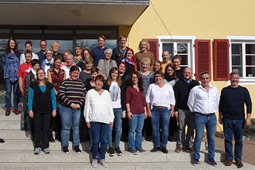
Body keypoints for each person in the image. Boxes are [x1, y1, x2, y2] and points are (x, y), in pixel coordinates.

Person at [219, 71, 252, 168]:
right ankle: (229, 158)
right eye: (233, 78)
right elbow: (221, 104)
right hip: (227, 119)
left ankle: (238, 159)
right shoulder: (225, 90)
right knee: (228, 139)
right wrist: (220, 116)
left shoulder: (244, 90)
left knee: (239, 140)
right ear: (230, 78)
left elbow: (249, 104)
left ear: (239, 79)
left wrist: (248, 118)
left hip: (240, 119)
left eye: (236, 78)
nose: (235, 80)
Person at [187, 71, 219, 166]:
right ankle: (196, 158)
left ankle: (211, 158)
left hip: (212, 117)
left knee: (211, 139)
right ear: (200, 79)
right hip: (199, 116)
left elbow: (217, 102)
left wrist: (212, 110)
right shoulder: (195, 89)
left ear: (210, 78)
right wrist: (197, 112)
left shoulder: (215, 89)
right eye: (203, 78)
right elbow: (190, 103)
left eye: (206, 78)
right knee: (198, 138)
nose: (205, 80)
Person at [84, 75, 114, 168]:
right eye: (97, 81)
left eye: (101, 82)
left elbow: (110, 106)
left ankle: (102, 158)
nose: (99, 83)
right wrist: (87, 119)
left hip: (105, 120)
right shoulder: (90, 93)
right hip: (94, 120)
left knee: (104, 141)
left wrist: (111, 118)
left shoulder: (106, 93)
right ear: (94, 82)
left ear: (103, 83)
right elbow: (87, 107)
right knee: (96, 141)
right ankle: (94, 158)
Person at [28, 69, 57, 154]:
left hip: (47, 111)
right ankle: (37, 146)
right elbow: (30, 98)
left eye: (42, 73)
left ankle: (45, 146)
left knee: (46, 129)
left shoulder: (50, 85)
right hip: (36, 111)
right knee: (37, 129)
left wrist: (54, 109)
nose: (41, 75)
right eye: (39, 73)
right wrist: (30, 110)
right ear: (37, 75)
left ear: (45, 74)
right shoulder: (33, 85)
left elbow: (53, 98)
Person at [146, 70, 175, 154]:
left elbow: (172, 99)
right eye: (156, 76)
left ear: (163, 77)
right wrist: (148, 110)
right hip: (154, 109)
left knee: (165, 128)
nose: (158, 78)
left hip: (165, 109)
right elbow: (147, 98)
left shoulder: (168, 87)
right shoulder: (152, 86)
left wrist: (172, 110)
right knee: (155, 129)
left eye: (159, 76)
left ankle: (164, 146)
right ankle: (157, 145)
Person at [58, 65, 85, 153]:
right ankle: (65, 146)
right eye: (74, 73)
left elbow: (84, 94)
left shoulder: (81, 83)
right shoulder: (64, 82)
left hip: (77, 108)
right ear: (70, 72)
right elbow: (61, 94)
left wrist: (79, 104)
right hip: (66, 108)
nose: (76, 75)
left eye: (77, 73)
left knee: (76, 128)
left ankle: (76, 145)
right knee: (66, 127)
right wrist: (70, 103)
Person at [174, 67, 199, 152]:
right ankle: (180, 145)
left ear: (191, 73)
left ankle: (189, 144)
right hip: (181, 109)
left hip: (193, 110)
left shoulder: (196, 84)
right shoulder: (178, 84)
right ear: (183, 73)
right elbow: (175, 97)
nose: (187, 74)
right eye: (185, 73)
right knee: (181, 128)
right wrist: (176, 109)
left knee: (191, 128)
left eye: (189, 72)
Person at [106, 67, 126, 157]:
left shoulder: (121, 84)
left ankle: (117, 146)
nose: (114, 74)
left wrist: (124, 110)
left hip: (119, 108)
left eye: (116, 73)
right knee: (110, 129)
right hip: (109, 109)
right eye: (113, 73)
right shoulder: (106, 84)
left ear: (118, 74)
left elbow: (124, 98)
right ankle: (110, 146)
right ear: (110, 74)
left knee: (118, 128)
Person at [126, 71, 147, 155]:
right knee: (132, 131)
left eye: (136, 77)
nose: (135, 79)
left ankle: (139, 147)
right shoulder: (129, 89)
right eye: (133, 77)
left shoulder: (141, 89)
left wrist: (145, 111)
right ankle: (132, 147)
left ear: (139, 79)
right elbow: (127, 101)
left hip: (141, 113)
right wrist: (128, 111)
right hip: (133, 113)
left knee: (139, 130)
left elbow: (143, 101)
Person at [47, 55, 66, 142]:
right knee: (52, 116)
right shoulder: (49, 71)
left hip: (61, 95)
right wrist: (55, 92)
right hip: (53, 95)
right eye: (57, 62)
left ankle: (58, 135)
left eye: (60, 62)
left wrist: (61, 92)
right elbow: (50, 83)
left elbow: (64, 83)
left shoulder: (63, 71)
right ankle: (50, 134)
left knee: (59, 116)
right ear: (54, 62)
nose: (58, 64)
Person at [2, 38, 20, 116]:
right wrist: (7, 71)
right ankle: (8, 108)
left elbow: (19, 64)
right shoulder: (5, 53)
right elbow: (3, 64)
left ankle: (15, 108)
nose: (12, 44)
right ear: (8, 44)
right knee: (8, 92)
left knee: (16, 92)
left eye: (13, 43)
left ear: (15, 44)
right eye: (11, 43)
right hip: (8, 75)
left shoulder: (18, 54)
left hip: (16, 75)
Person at [138, 58, 154, 141]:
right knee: (142, 116)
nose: (145, 66)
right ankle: (142, 134)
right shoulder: (138, 74)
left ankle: (149, 134)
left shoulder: (152, 75)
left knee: (149, 116)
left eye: (146, 64)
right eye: (143, 64)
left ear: (149, 65)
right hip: (140, 98)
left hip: (150, 98)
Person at [24, 59, 40, 139]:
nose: (37, 67)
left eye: (38, 65)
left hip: (39, 100)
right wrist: (27, 100)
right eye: (36, 66)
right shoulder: (28, 75)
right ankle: (32, 133)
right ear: (33, 66)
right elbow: (27, 88)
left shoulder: (40, 74)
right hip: (31, 98)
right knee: (31, 117)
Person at [18, 50, 33, 130]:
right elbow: (20, 79)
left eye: (29, 56)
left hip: (33, 91)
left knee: (32, 108)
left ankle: (31, 126)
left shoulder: (34, 65)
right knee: (24, 109)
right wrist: (21, 89)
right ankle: (23, 125)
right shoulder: (21, 66)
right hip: (25, 90)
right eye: (26, 56)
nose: (28, 58)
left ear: (31, 57)